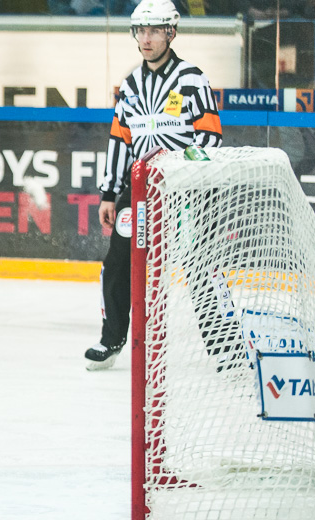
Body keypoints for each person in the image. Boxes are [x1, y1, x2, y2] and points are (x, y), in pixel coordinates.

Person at [85, 0, 222, 370]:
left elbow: (210, 137)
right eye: (140, 31)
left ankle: (225, 349)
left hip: (188, 189)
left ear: (170, 33)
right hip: (141, 190)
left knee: (200, 266)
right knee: (116, 264)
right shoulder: (130, 85)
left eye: (154, 31)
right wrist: (110, 193)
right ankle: (111, 339)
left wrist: (190, 175)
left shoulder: (191, 78)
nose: (145, 39)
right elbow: (120, 140)